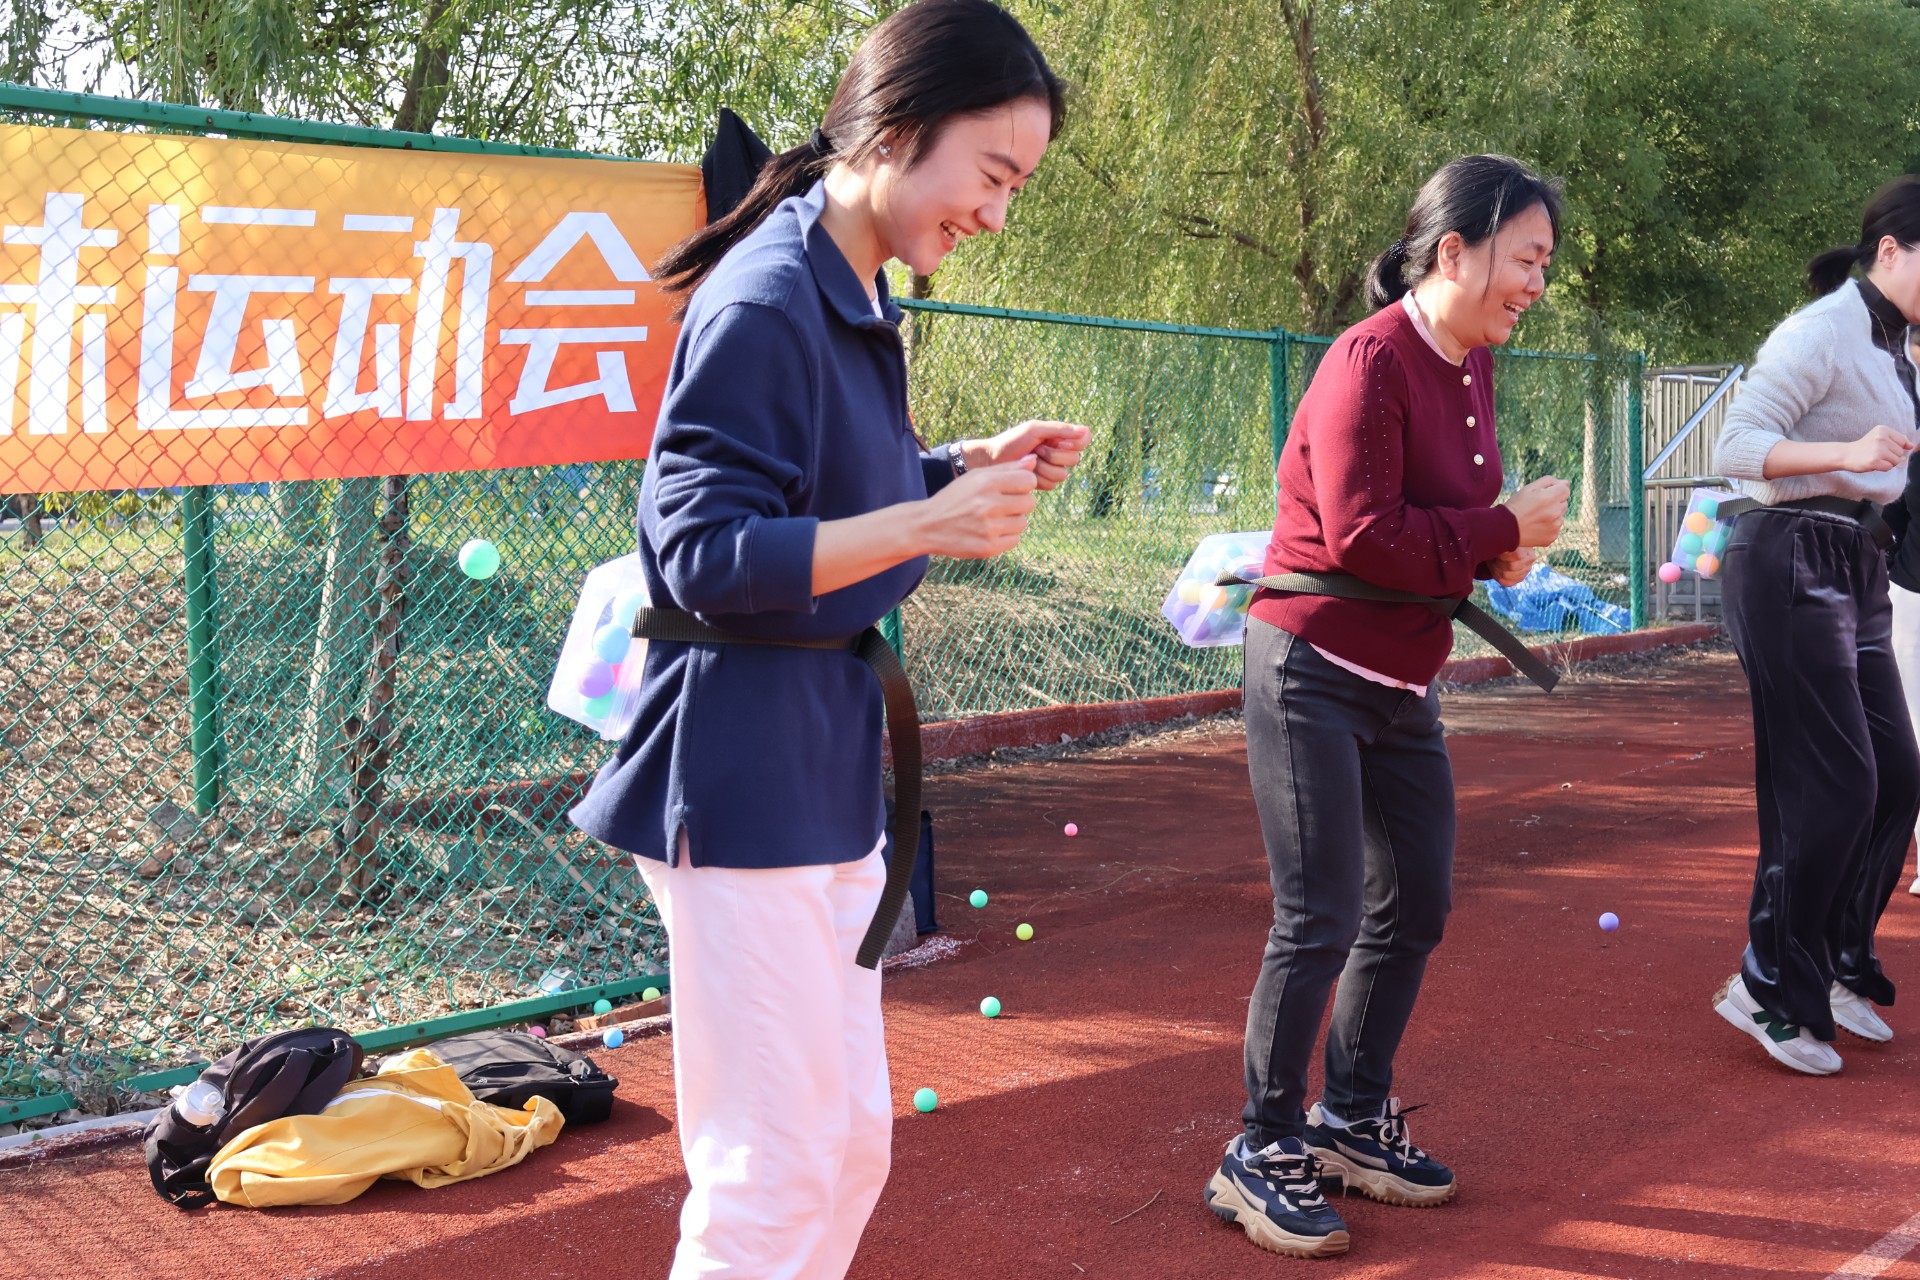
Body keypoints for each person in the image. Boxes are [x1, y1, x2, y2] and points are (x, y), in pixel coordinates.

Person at [567, 3, 1088, 1275]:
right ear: (899, 132)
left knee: (847, 1145)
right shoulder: (764, 298)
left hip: (826, 773)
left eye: (1016, 187)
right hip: (741, 778)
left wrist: (954, 465)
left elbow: (821, 491)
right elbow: (703, 550)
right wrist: (926, 517)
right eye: (993, 175)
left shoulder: (849, 284)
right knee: (772, 1168)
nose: (996, 213)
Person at [1204, 155, 1571, 1260]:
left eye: (1545, 265)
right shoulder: (1368, 360)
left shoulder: (1471, 363)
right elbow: (1365, 534)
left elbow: (1436, 527)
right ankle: (1260, 1146)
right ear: (1454, 250)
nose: (1537, 282)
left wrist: (1498, 554)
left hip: (1402, 677)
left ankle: (1351, 1119)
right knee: (1317, 913)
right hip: (1310, 666)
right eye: (1526, 258)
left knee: (1415, 901)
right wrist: (1498, 528)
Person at [1711, 177, 1920, 1075]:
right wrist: (1847, 453)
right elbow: (1733, 447)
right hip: (1791, 553)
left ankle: (1831, 964)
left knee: (1897, 776)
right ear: (1891, 250)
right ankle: (1766, 984)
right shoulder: (1822, 330)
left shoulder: (1894, 343)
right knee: (1831, 784)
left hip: (1855, 560)